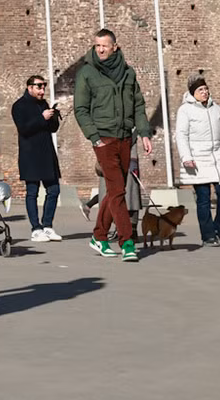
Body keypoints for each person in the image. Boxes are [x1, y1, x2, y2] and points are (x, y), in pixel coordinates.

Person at [73, 28, 154, 262]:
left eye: (104, 46)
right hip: (103, 138)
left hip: (125, 137)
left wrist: (144, 133)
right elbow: (80, 108)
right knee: (119, 191)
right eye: (97, 45)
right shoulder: (87, 73)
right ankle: (127, 242)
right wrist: (93, 136)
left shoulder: (128, 73)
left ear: (114, 47)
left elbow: (138, 104)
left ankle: (99, 237)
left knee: (113, 190)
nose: (100, 49)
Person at [175, 73, 220, 246]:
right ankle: (208, 235)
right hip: (198, 158)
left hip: (218, 157)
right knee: (204, 198)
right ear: (193, 93)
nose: (204, 92)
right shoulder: (185, 110)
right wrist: (186, 157)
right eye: (200, 90)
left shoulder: (216, 108)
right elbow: (181, 135)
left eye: (206, 89)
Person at [10, 74, 62, 243]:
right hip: (30, 155)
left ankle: (47, 225)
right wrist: (42, 118)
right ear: (30, 87)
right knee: (32, 192)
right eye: (39, 86)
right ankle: (36, 228)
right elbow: (24, 129)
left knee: (54, 190)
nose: (42, 90)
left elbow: (52, 129)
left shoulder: (44, 104)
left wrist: (53, 116)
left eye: (44, 86)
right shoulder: (19, 106)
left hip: (47, 154)